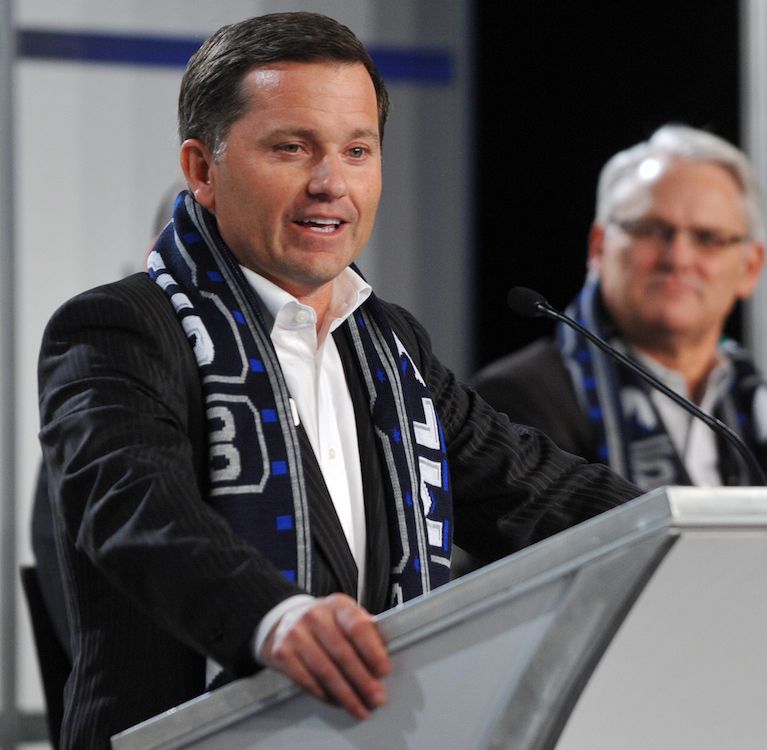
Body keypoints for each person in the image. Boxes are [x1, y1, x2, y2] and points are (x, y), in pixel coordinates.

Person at [36, 12, 641, 748]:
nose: (331, 183)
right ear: (202, 169)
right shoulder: (118, 329)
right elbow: (135, 509)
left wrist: (700, 528)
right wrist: (275, 618)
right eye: (292, 148)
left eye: (357, 150)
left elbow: (531, 490)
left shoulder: (389, 347)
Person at [473, 125, 767, 489]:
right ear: (599, 248)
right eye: (652, 230)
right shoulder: (513, 403)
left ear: (750, 268)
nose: (678, 258)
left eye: (708, 238)